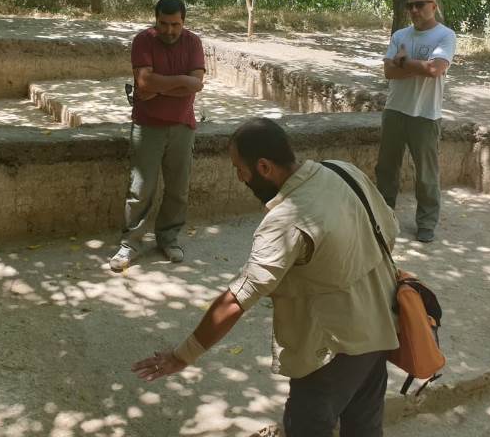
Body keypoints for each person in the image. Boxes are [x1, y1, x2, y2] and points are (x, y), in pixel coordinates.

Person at [132, 117, 399, 437]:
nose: (239, 177)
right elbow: (390, 231)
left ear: (263, 167)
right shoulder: (343, 171)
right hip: (381, 327)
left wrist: (182, 355)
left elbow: (236, 299)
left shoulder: (286, 221)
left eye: (238, 168)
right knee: (365, 428)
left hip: (330, 354)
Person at [109, 0, 205, 272]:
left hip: (182, 126)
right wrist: (182, 82)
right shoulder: (143, 40)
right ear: (156, 20)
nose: (169, 30)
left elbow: (195, 84)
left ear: (183, 22)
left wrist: (157, 87)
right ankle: (130, 244)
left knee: (178, 189)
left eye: (175, 25)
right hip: (147, 126)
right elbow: (143, 82)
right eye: (163, 23)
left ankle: (169, 238)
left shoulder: (193, 43)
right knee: (140, 190)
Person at [375, 0, 456, 243]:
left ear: (434, 5)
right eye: (410, 6)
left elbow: (435, 69)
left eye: (420, 5)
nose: (414, 11)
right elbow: (388, 73)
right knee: (386, 169)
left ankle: (426, 223)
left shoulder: (445, 36)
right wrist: (415, 67)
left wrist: (402, 62)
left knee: (426, 174)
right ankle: (383, 217)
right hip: (395, 110)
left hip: (425, 115)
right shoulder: (400, 35)